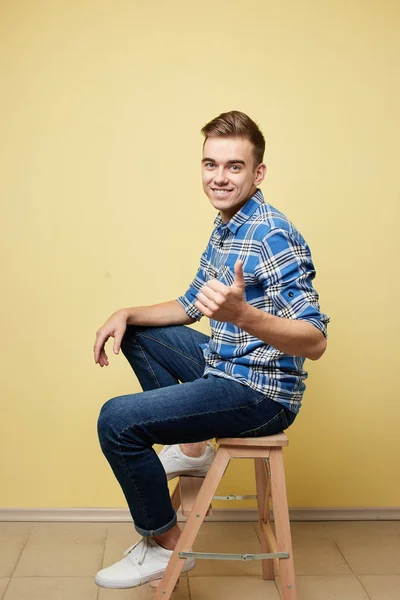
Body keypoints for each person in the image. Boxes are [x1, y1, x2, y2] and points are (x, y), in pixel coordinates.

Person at [93, 110, 330, 589]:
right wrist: (126, 312)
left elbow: (316, 339)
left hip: (262, 394)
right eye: (211, 164)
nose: (219, 177)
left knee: (117, 420)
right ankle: (192, 447)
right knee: (139, 331)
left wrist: (245, 316)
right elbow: (189, 305)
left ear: (257, 172)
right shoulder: (227, 225)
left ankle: (164, 544)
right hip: (225, 366)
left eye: (234, 166)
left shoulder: (269, 233)